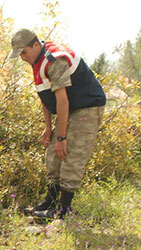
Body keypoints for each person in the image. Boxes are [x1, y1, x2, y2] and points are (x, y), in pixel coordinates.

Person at [9, 28, 106, 220]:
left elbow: (62, 101)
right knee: (53, 154)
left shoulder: (55, 60)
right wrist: (49, 128)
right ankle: (50, 204)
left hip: (86, 106)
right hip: (69, 108)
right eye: (19, 54)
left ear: (35, 45)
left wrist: (62, 137)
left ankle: (63, 211)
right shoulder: (36, 61)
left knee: (70, 154)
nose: (22, 58)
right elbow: (46, 96)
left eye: (24, 52)